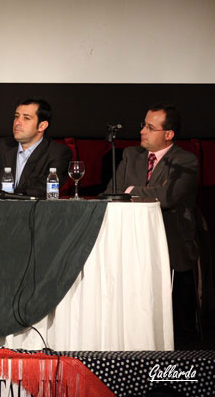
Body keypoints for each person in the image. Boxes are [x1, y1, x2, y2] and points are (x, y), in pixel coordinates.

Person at [105, 103, 199, 341]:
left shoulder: (186, 161)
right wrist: (148, 191)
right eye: (142, 125)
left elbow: (168, 197)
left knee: (177, 319)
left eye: (150, 127)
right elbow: (112, 192)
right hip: (129, 244)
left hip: (170, 243)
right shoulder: (130, 155)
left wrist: (132, 190)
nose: (142, 132)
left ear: (168, 135)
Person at [0, 98, 72, 197]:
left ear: (42, 126)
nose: (17, 122)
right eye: (16, 116)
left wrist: (8, 197)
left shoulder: (58, 153)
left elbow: (41, 190)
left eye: (26, 118)